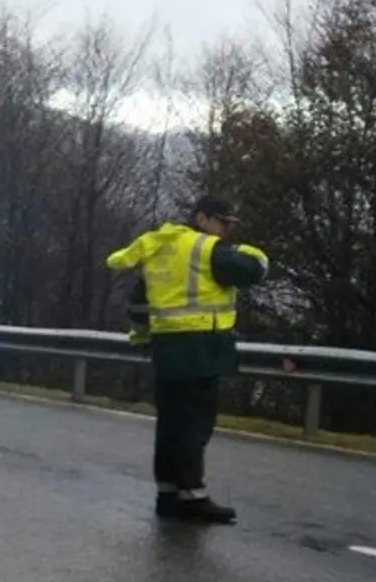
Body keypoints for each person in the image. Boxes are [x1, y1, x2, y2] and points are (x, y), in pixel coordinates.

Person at [105, 195, 269, 524]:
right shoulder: (208, 250)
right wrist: (249, 251)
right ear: (203, 218)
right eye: (223, 222)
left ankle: (168, 493)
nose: (226, 231)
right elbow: (254, 270)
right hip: (200, 348)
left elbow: (138, 302)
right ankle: (193, 496)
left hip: (167, 347)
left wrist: (144, 334)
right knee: (194, 425)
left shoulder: (159, 247)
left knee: (170, 424)